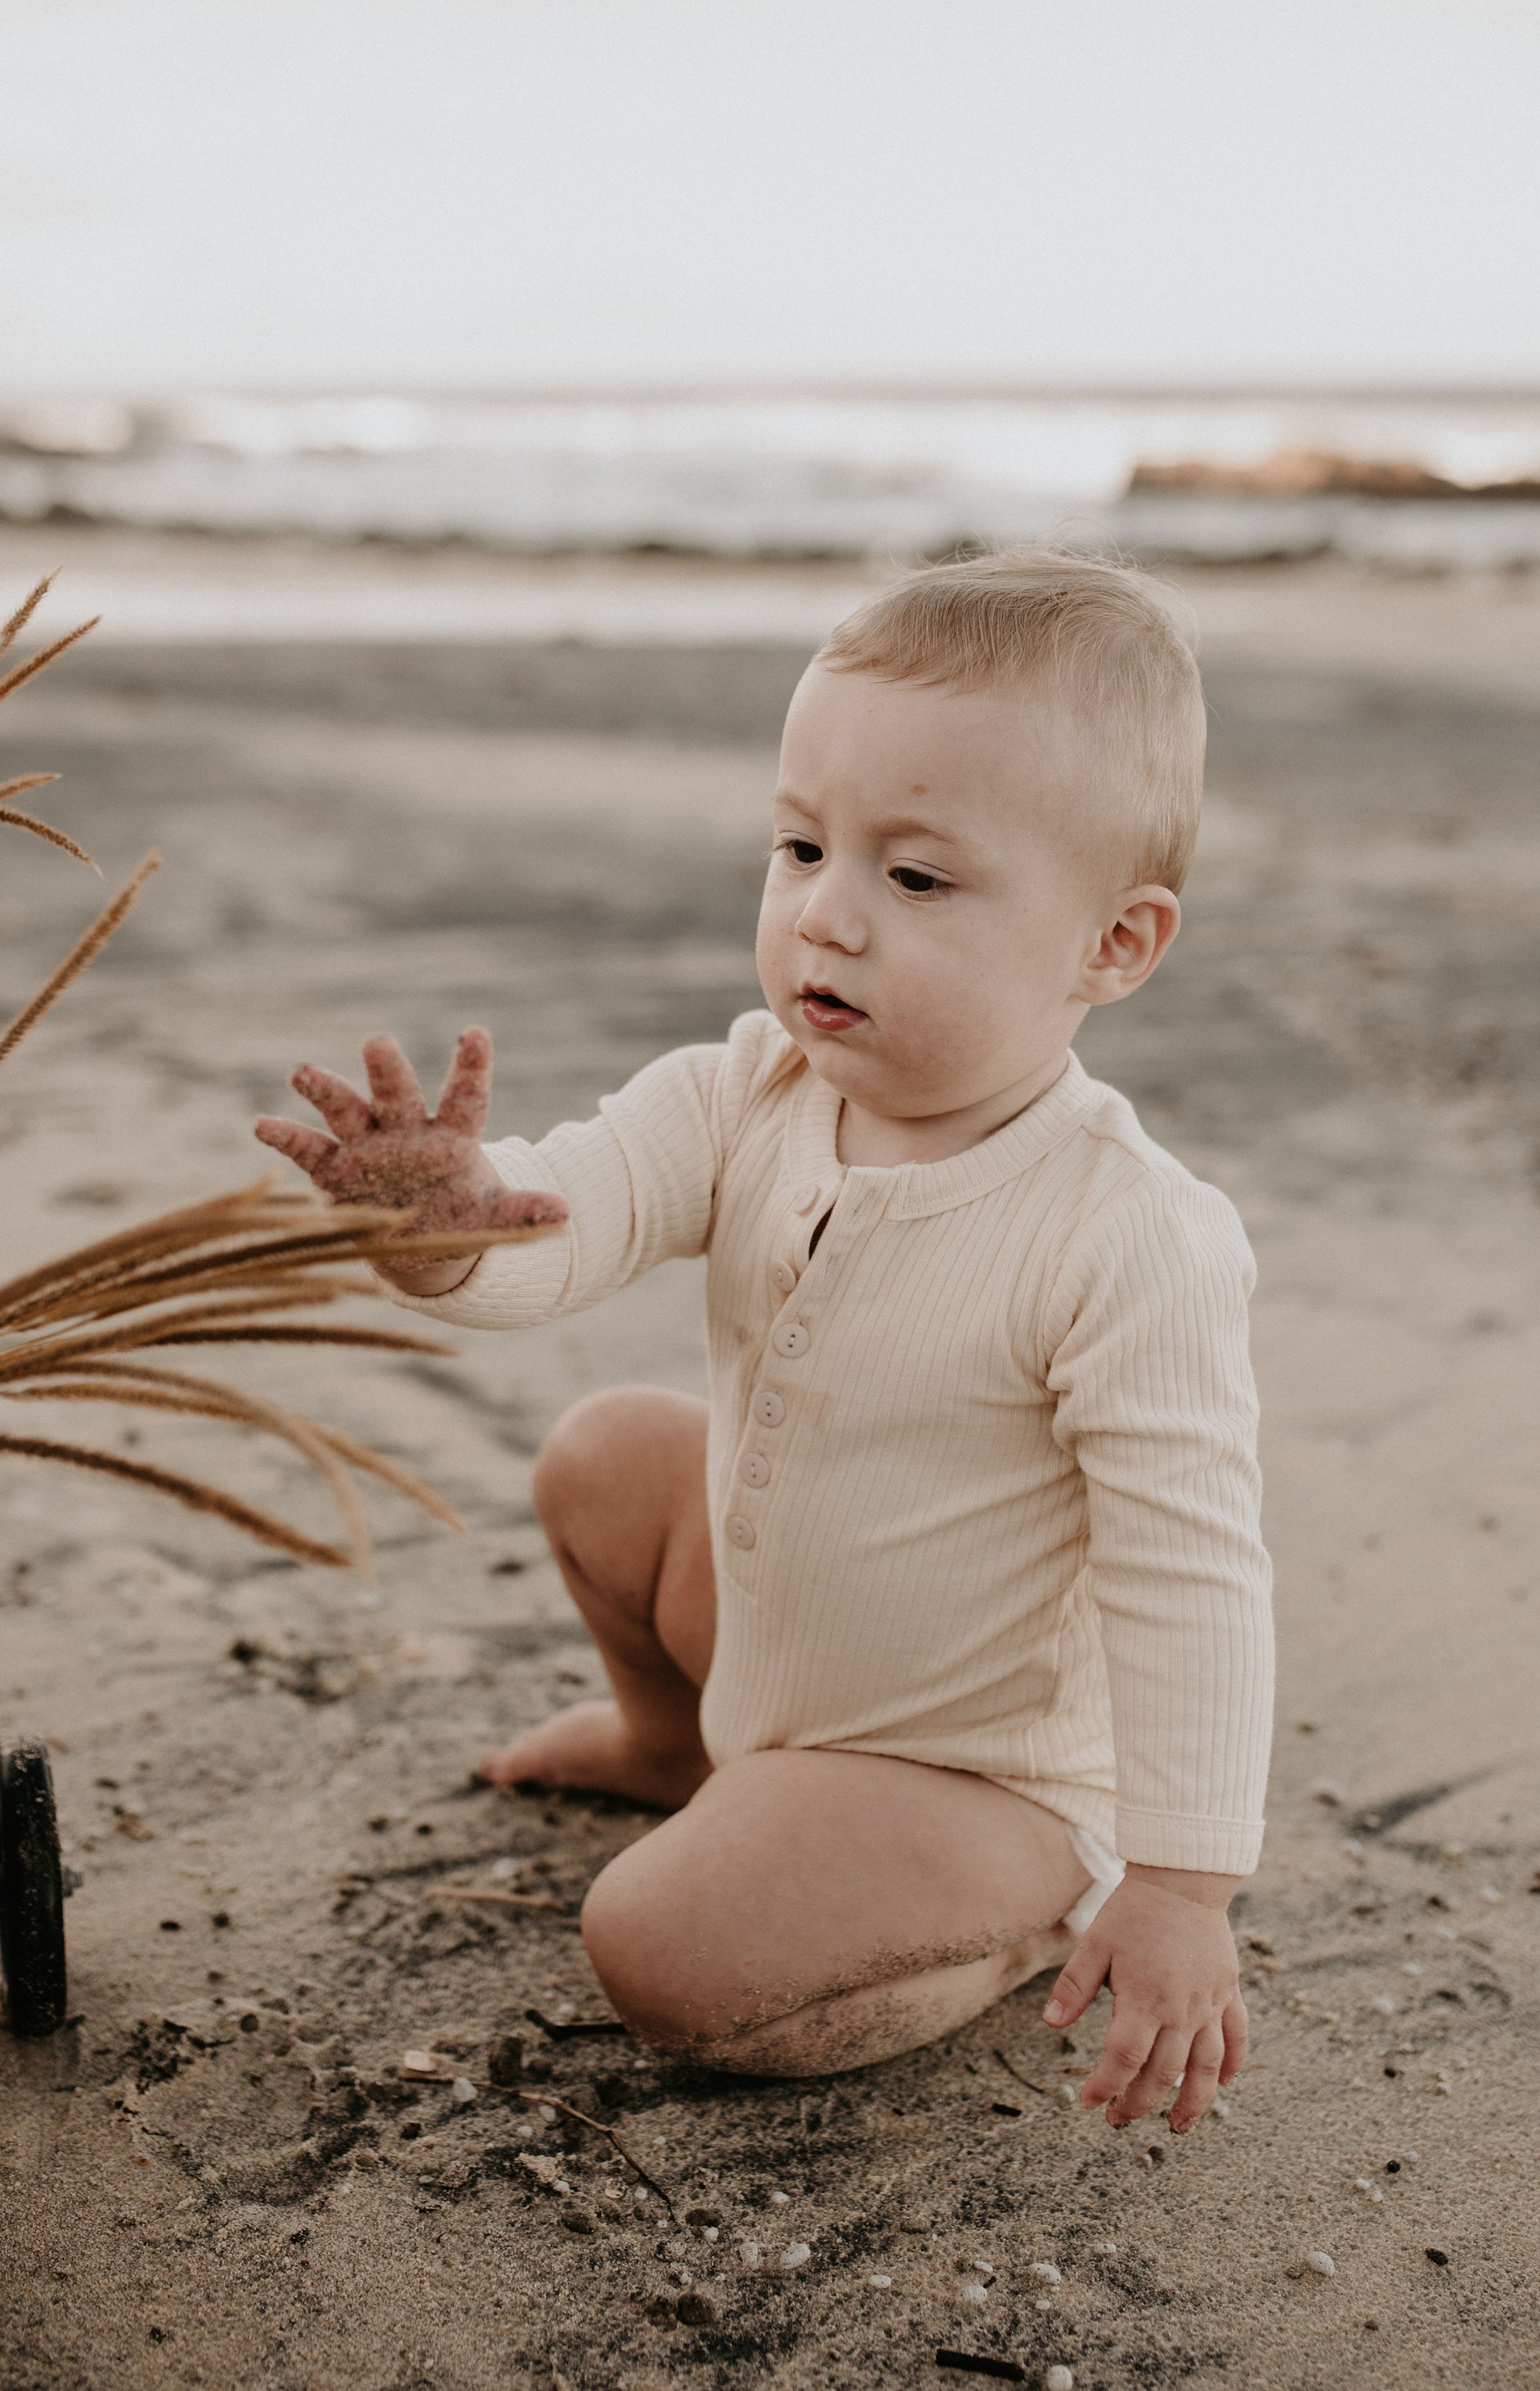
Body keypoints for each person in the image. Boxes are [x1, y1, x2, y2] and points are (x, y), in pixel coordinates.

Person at [256, 550, 1272, 2134]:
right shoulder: (750, 1090)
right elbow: (571, 1204)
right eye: (800, 844)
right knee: (610, 1451)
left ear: (1113, 944)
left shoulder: (1125, 1229)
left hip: (970, 1770)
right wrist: (455, 1213)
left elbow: (1191, 1570)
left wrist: (1183, 1880)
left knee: (660, 1947)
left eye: (914, 877)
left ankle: (1014, 1920)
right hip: (780, 1661)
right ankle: (680, 1742)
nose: (825, 914)